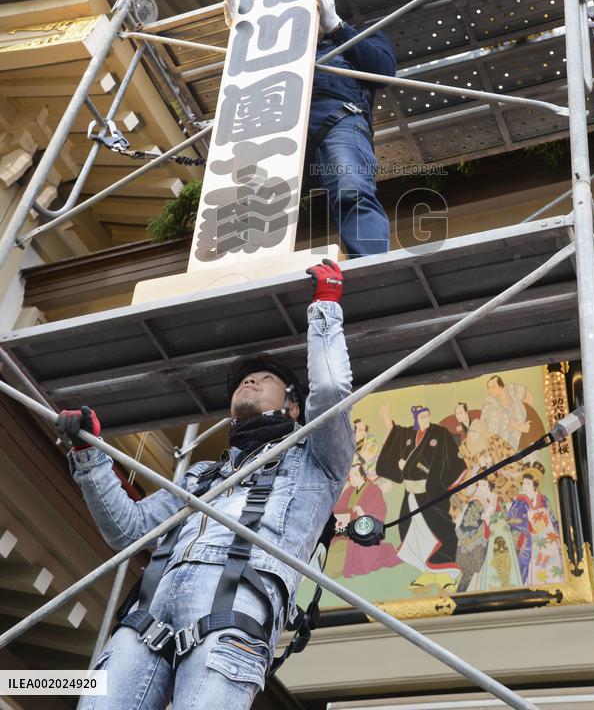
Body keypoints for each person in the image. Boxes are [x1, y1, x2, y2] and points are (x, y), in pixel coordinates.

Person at [57, 260, 354, 710]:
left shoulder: (315, 464)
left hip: (236, 613)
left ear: (294, 408)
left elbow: (331, 391)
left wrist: (325, 307)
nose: (249, 381)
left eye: (266, 378)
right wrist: (91, 457)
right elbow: (129, 530)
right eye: (241, 382)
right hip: (147, 615)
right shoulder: (201, 475)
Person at [224, 0, 396, 257]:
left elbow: (383, 72)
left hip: (338, 116)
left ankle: (371, 263)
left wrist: (337, 27)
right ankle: (244, 275)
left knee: (351, 186)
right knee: (254, 199)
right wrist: (244, 43)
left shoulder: (362, 36)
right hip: (276, 121)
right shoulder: (275, 49)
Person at [375, 402, 465, 591]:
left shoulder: (439, 433)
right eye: (421, 417)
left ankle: (446, 575)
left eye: (426, 415)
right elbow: (395, 434)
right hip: (411, 493)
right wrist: (385, 416)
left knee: (440, 529)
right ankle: (427, 571)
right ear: (416, 419)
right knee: (412, 530)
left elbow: (448, 459)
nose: (424, 419)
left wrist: (422, 470)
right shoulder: (409, 435)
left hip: (432, 491)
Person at [333, 458, 401, 578]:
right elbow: (339, 509)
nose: (351, 478)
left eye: (354, 475)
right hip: (348, 530)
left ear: (362, 476)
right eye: (350, 475)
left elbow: (379, 513)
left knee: (356, 552)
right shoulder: (349, 491)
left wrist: (363, 513)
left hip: (365, 532)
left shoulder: (373, 490)